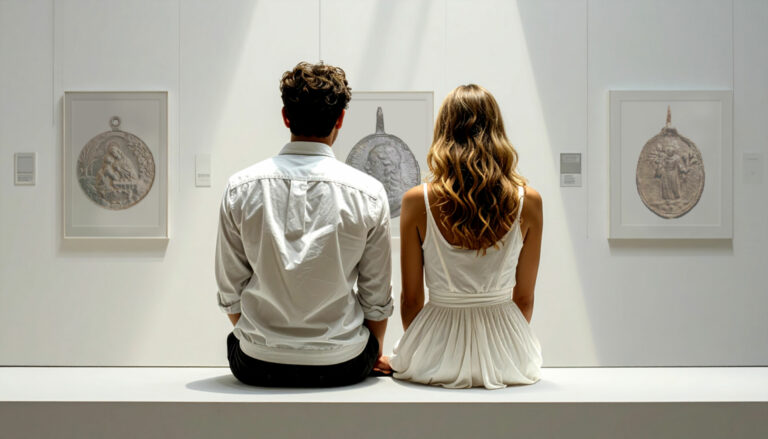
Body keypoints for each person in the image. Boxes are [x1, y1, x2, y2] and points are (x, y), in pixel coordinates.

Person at [215, 62, 393, 387]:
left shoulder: (241, 187)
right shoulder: (369, 192)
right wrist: (374, 352)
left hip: (256, 364)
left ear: (285, 117)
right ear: (340, 119)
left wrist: (265, 339)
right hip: (343, 363)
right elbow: (376, 294)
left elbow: (230, 288)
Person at [389, 84, 543, 389]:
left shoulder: (417, 201)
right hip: (507, 355)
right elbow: (524, 299)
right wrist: (501, 347)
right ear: (497, 131)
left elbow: (411, 300)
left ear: (444, 131)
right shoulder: (529, 201)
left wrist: (421, 348)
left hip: (436, 352)